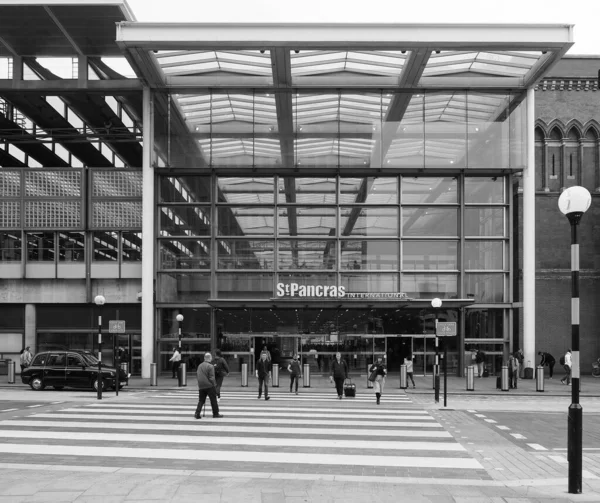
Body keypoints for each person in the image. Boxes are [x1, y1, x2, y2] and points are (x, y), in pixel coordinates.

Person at [194, 353, 223, 419]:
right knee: (213, 400)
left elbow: (198, 375)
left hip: (201, 386)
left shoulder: (200, 365)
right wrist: (215, 385)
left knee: (201, 400)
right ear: (210, 358)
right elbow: (212, 377)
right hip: (209, 385)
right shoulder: (210, 366)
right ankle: (215, 414)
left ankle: (197, 413)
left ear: (204, 358)